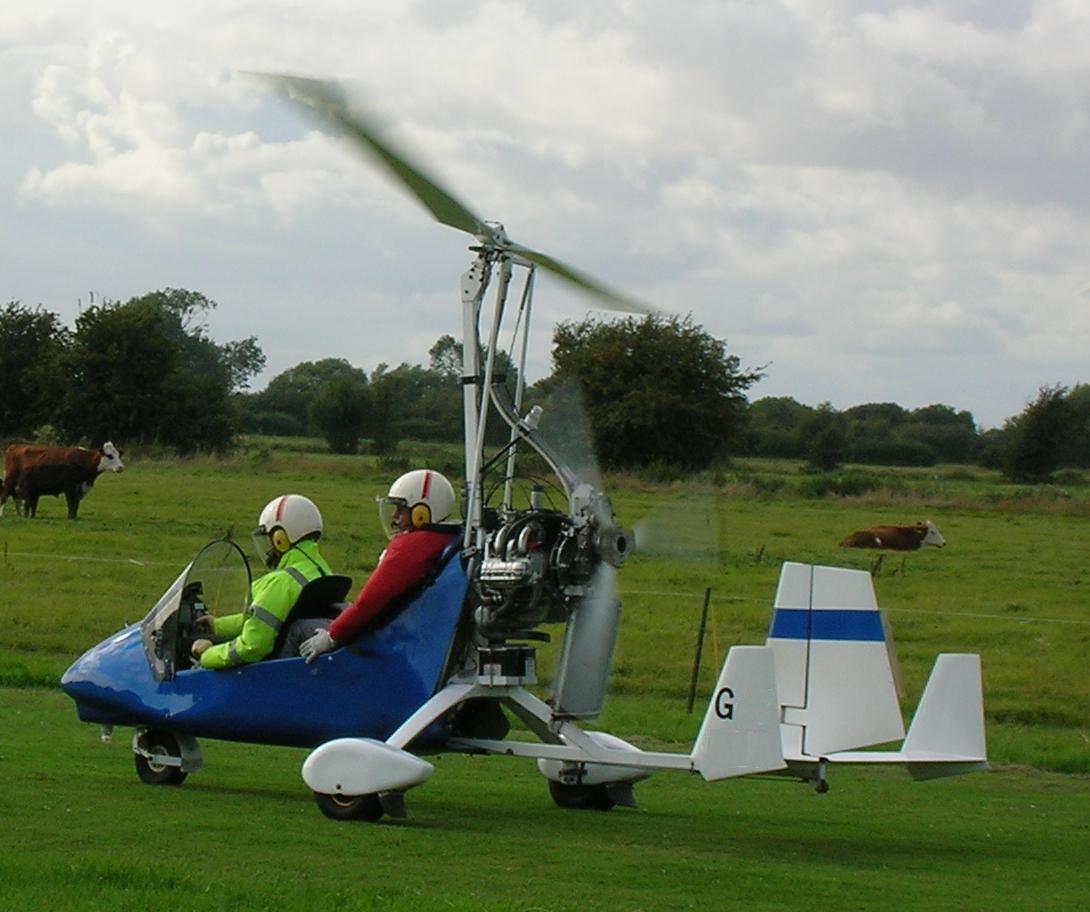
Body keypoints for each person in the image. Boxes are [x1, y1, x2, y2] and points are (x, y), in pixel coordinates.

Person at [292, 469, 458, 663]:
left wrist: (332, 636)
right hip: (404, 630)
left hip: (384, 639)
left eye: (401, 510)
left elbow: (370, 602)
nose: (395, 516)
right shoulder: (446, 538)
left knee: (297, 629)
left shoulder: (409, 548)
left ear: (422, 513)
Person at [191, 493, 334, 669]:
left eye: (269, 538)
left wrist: (208, 654)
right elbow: (265, 619)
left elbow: (252, 647)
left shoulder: (281, 582)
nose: (268, 548)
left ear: (281, 538)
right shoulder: (320, 571)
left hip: (272, 678)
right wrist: (217, 625)